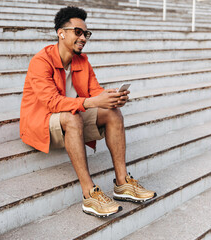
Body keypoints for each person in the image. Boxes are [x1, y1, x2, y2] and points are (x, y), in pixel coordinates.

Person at [20, 6, 156, 217]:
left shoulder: (82, 61)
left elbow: (95, 92)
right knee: (72, 118)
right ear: (61, 32)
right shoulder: (41, 61)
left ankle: (122, 184)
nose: (83, 37)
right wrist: (93, 102)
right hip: (41, 122)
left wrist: (112, 99)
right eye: (78, 32)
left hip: (69, 116)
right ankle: (89, 194)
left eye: (86, 33)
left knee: (112, 114)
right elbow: (52, 103)